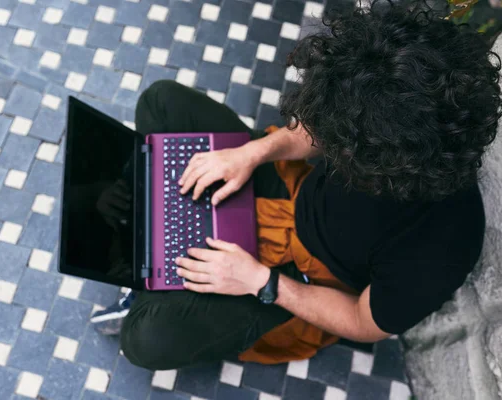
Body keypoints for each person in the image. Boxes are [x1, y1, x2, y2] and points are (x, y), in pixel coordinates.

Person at [91, 0, 501, 370]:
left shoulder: (444, 247)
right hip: (291, 190)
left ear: (378, 164)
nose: (321, 140)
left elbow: (361, 321)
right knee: (161, 102)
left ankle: (158, 265)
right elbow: (310, 131)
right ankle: (161, 250)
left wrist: (260, 282)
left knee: (145, 339)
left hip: (298, 279)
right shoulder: (386, 99)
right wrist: (249, 155)